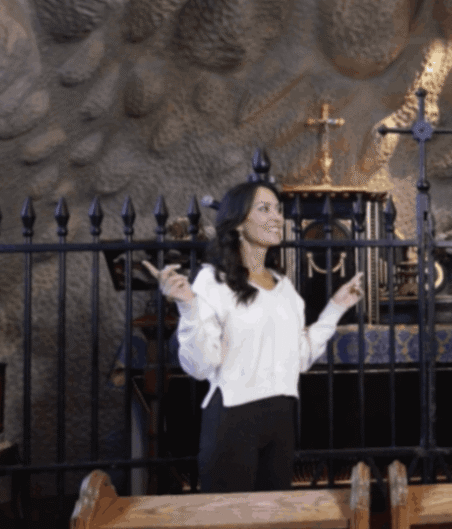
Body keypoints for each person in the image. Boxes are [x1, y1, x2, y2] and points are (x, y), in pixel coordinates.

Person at [143, 180, 364, 493]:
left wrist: (334, 308)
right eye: (264, 209)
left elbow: (299, 359)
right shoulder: (211, 280)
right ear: (238, 224)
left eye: (278, 209)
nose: (276, 217)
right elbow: (200, 366)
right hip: (233, 420)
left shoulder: (283, 286)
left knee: (273, 528)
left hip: (282, 420)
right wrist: (188, 307)